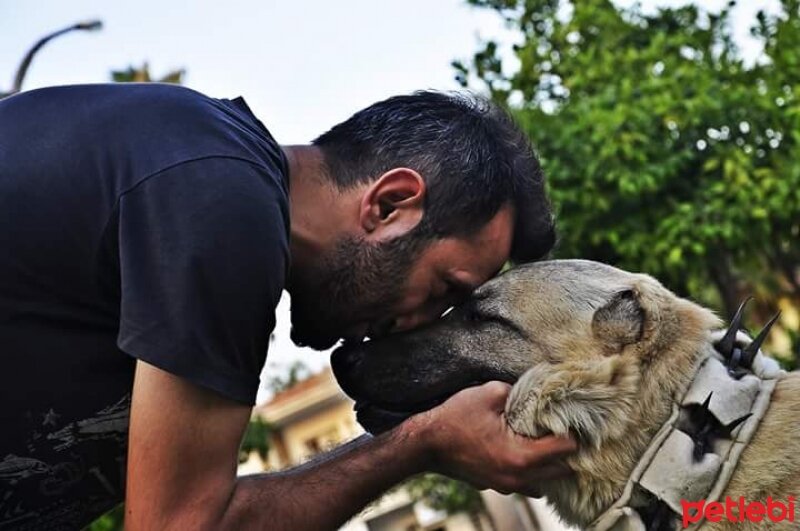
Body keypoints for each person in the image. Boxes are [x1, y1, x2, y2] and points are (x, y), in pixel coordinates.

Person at [0, 84, 576, 530]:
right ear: (391, 204)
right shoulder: (223, 198)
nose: (424, 323)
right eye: (444, 290)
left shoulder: (205, 171)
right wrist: (421, 442)